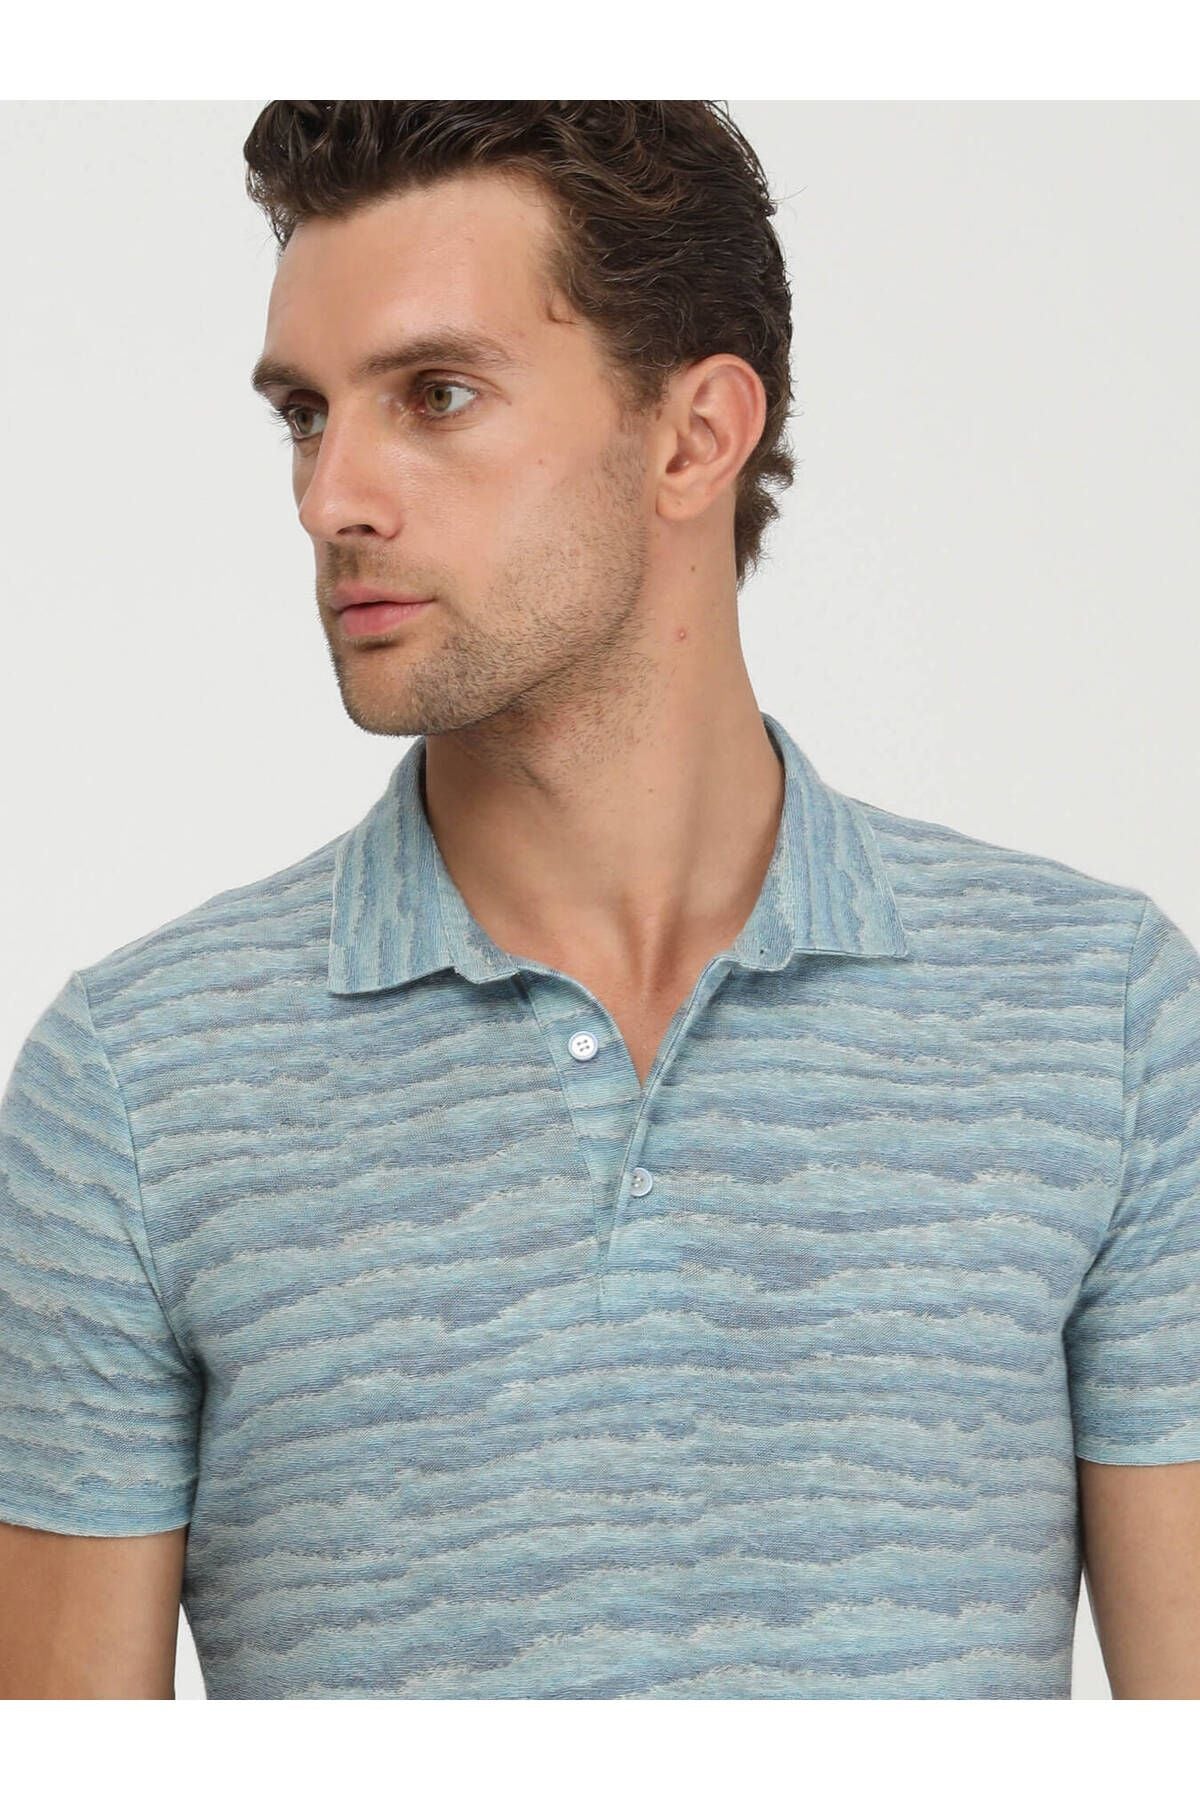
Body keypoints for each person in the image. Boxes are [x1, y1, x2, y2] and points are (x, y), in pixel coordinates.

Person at [0, 100, 1197, 1703]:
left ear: (695, 438)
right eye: (305, 414)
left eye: (435, 396)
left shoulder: (1100, 1017)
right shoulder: (135, 1086)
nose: (331, 497)